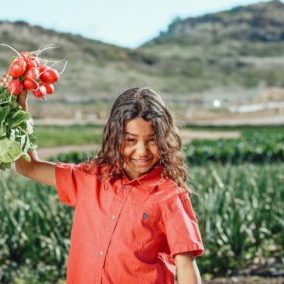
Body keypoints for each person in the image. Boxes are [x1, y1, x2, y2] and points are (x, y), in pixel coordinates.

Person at [12, 83, 204, 284]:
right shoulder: (89, 177)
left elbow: (186, 266)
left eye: (152, 140)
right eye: (131, 140)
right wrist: (18, 109)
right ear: (115, 137)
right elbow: (28, 167)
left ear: (164, 140)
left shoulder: (170, 197)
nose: (142, 151)